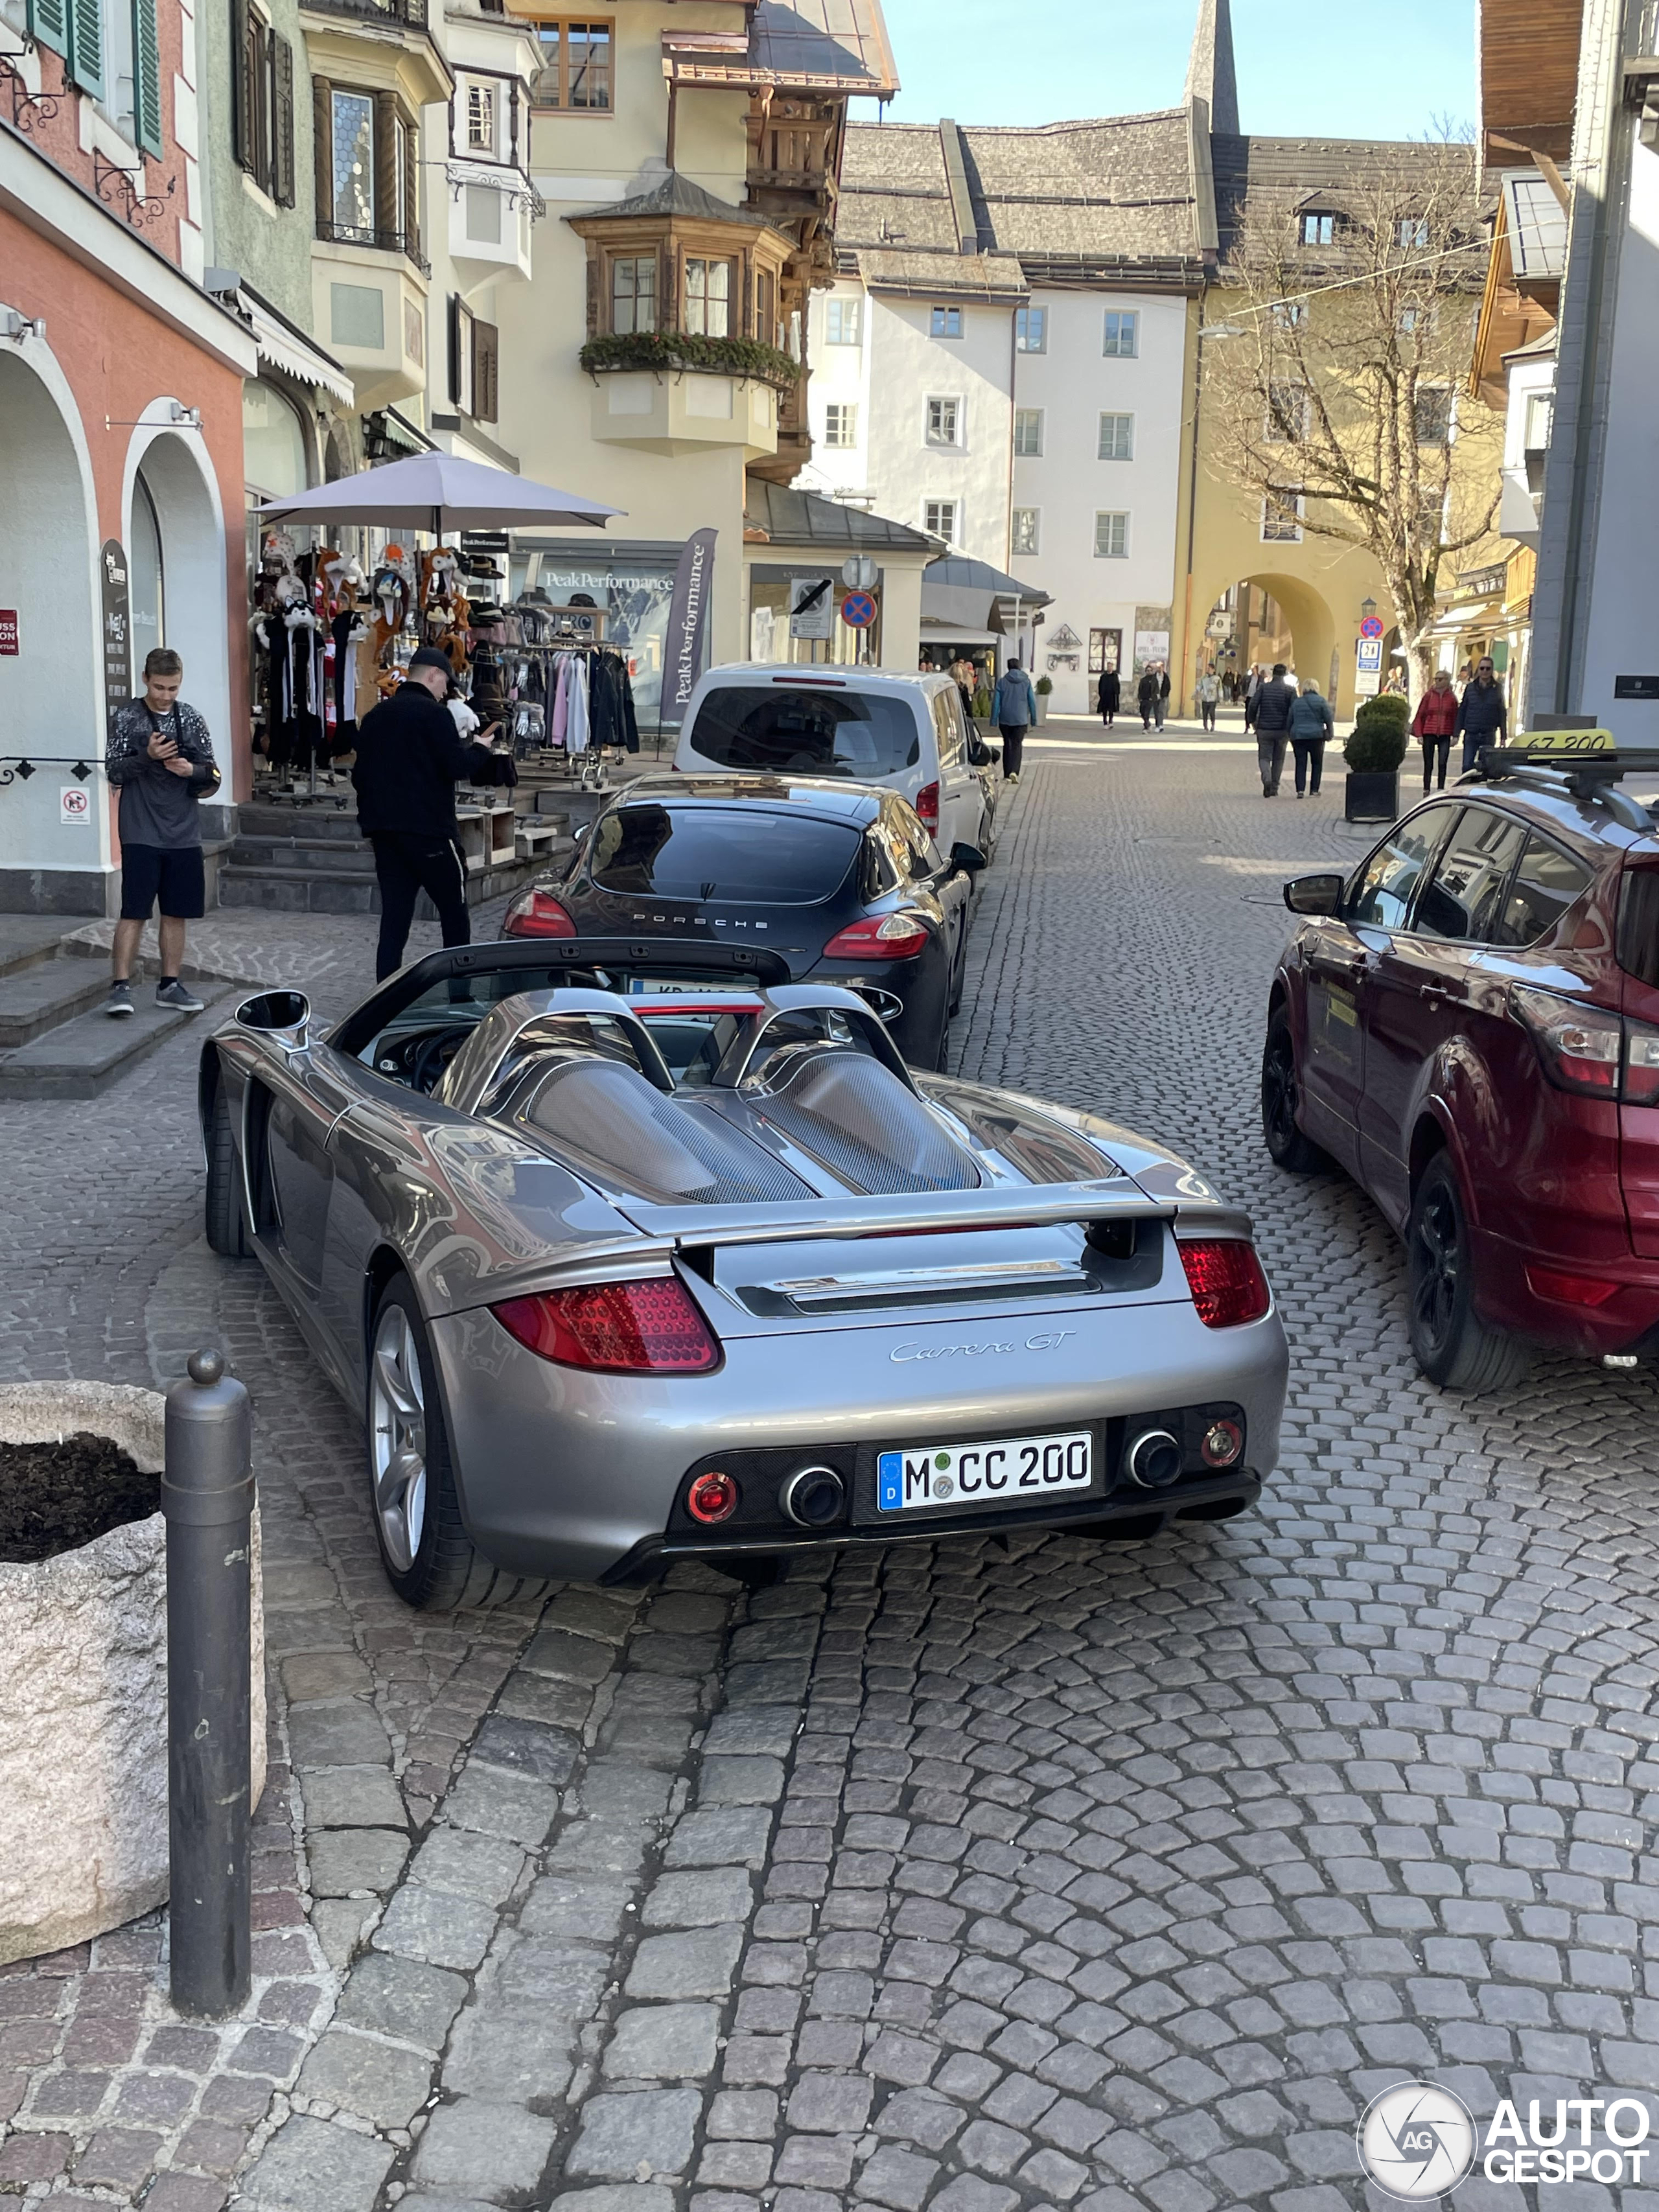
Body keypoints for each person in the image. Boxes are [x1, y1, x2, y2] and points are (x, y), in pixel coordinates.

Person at [352, 646, 516, 981]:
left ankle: (384, 996)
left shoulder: (375, 717)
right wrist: (481, 749)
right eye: (446, 683)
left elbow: (358, 777)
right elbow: (457, 767)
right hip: (431, 833)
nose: (446, 691)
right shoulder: (434, 715)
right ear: (432, 675)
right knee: (454, 915)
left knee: (394, 920)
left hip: (385, 833)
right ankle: (459, 993)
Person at [102, 647, 221, 1017]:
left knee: (176, 913)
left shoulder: (192, 718)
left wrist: (192, 772)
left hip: (184, 833)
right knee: (134, 912)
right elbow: (114, 773)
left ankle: (170, 985)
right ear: (145, 680)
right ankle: (120, 988)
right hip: (140, 830)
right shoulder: (127, 718)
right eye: (159, 688)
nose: (166, 695)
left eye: (173, 688)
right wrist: (148, 757)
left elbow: (214, 776)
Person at [1456, 654, 1508, 771]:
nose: (1485, 671)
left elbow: (1502, 712)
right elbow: (1463, 709)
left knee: (1485, 768)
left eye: (1488, 668)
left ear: (1492, 670)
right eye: (1482, 668)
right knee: (1467, 766)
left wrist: (1503, 736)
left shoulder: (1498, 688)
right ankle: (1466, 789)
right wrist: (1456, 734)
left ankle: (1480, 788)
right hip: (1471, 733)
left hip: (1488, 734)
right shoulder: (1470, 688)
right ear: (1478, 670)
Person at [1253, 662, 1297, 796]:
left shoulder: (1263, 688)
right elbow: (1294, 710)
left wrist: (1252, 721)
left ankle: (1266, 778)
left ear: (1273, 674)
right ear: (1285, 675)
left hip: (1264, 728)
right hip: (1282, 730)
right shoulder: (1290, 691)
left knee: (1264, 757)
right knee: (1279, 759)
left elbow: (1253, 705)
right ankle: (1274, 787)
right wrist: (1291, 727)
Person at [991, 656, 1036, 786]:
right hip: (1021, 720)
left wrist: (994, 720)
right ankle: (1014, 772)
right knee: (1017, 745)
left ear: (1008, 667)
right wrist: (1034, 718)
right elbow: (1032, 701)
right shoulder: (1026, 682)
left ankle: (1007, 774)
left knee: (1007, 744)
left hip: (1005, 719)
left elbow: (996, 703)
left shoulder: (1002, 682)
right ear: (1019, 667)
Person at [1412, 669, 1459, 791]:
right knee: (1428, 764)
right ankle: (1426, 790)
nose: (1437, 681)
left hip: (1445, 734)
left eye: (1440, 679)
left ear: (1447, 680)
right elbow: (1419, 716)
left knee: (1442, 763)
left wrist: (1456, 735)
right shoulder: (1429, 696)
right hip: (1429, 733)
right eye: (1436, 679)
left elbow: (1455, 717)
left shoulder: (1452, 698)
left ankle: (1440, 789)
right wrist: (1419, 734)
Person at [1288, 680, 1334, 797]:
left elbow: (1290, 720)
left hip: (1298, 737)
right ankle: (1314, 789)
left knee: (1300, 763)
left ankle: (1300, 790)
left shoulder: (1297, 703)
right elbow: (1328, 719)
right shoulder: (1321, 701)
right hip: (1316, 736)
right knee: (1317, 763)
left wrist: (1290, 734)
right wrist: (1330, 733)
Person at [1196, 668, 1220, 732]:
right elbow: (1199, 685)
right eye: (1208, 668)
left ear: (1213, 670)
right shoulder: (1203, 678)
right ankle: (1205, 726)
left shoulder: (1217, 678)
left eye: (1210, 668)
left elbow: (1220, 688)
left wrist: (1221, 697)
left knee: (1212, 712)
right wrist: (1196, 692)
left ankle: (1213, 725)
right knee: (1205, 713)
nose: (1208, 670)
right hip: (1205, 698)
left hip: (1213, 698)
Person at [1097, 664, 1120, 728]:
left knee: (1111, 710)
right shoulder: (1104, 676)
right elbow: (1100, 685)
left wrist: (1117, 693)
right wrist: (1101, 694)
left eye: (1111, 667)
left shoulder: (1115, 676)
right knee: (1104, 710)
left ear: (1112, 668)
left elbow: (1117, 685)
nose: (1109, 668)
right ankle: (1105, 722)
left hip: (1112, 695)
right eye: (1108, 667)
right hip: (1105, 695)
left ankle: (1111, 721)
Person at [1137, 666, 1159, 730]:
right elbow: (1140, 689)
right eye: (1148, 671)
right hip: (1143, 699)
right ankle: (1148, 723)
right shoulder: (1143, 680)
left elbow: (1156, 689)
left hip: (1150, 699)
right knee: (1142, 713)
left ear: (1152, 671)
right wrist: (1140, 697)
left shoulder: (1154, 680)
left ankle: (1146, 727)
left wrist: (1153, 697)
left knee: (1146, 713)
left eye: (1150, 670)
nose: (1149, 672)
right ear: (1146, 672)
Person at [1244, 664, 1264, 734]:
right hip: (1249, 696)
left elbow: (1262, 687)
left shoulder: (1260, 678)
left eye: (1254, 669)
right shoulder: (1248, 678)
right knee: (1247, 712)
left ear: (1257, 669)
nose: (1252, 670)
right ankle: (1247, 727)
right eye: (1252, 669)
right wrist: (1244, 693)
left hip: (1256, 697)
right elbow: (1244, 685)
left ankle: (1255, 728)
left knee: (1256, 713)